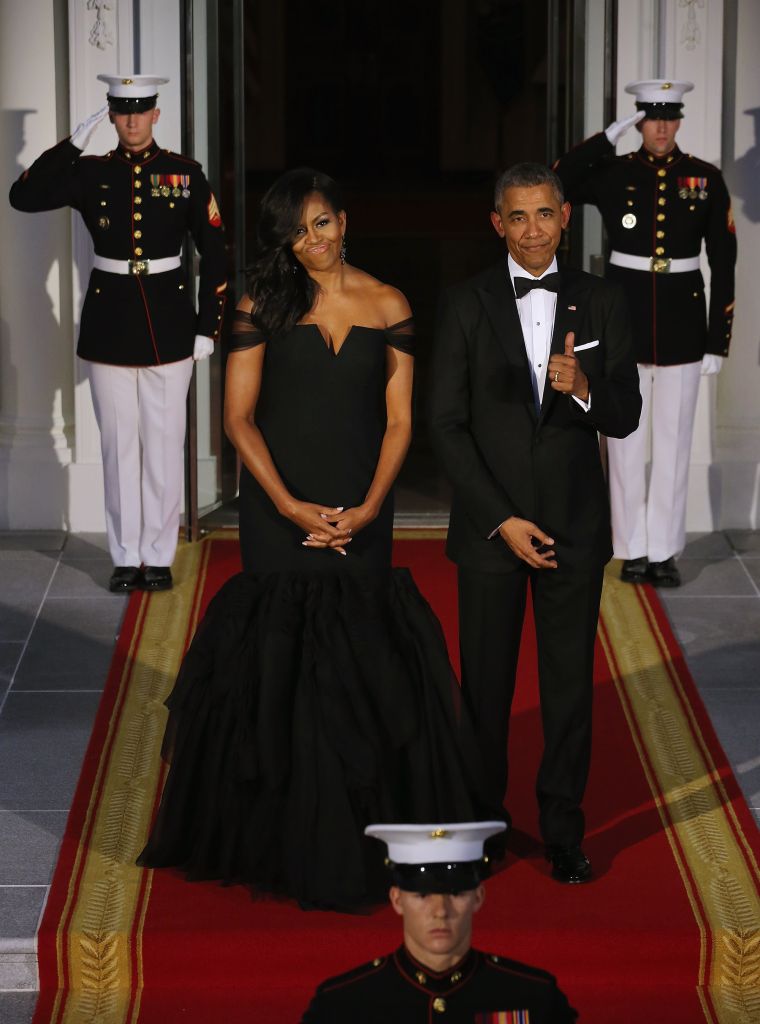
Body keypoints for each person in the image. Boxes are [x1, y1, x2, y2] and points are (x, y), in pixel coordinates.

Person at [138, 168, 494, 911]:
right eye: (298, 232)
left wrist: (369, 508)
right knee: (284, 658)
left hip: (362, 506)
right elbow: (239, 420)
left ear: (344, 220)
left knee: (361, 655)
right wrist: (291, 507)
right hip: (280, 507)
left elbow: (400, 421)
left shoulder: (390, 302)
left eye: (323, 223)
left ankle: (363, 832)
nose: (314, 241)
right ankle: (279, 834)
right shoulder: (259, 302)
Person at [428, 163, 641, 884]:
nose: (531, 230)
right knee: (484, 693)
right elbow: (445, 425)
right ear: (497, 223)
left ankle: (563, 832)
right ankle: (483, 828)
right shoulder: (464, 303)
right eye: (516, 217)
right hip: (492, 532)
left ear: (566, 216)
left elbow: (626, 413)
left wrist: (584, 389)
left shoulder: (603, 299)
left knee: (569, 691)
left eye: (544, 214)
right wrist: (502, 519)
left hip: (574, 527)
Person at [9, 73, 227, 593]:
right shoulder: (90, 172)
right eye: (122, 110)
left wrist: (207, 326)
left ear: (156, 114)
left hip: (170, 325)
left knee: (164, 446)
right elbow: (24, 196)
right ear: (110, 115)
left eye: (141, 109)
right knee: (118, 448)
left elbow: (216, 252)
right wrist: (72, 144)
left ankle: (158, 555)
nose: (132, 119)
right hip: (109, 324)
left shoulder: (184, 174)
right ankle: (126, 556)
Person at [553, 79, 737, 588]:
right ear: (639, 121)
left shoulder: (704, 179)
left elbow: (724, 262)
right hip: (623, 319)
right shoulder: (614, 172)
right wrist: (606, 139)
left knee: (675, 442)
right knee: (624, 440)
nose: (660, 127)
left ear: (679, 121)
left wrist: (717, 339)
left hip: (683, 324)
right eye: (651, 117)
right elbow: (558, 180)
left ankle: (663, 551)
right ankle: (630, 547)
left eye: (669, 117)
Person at [301, 821, 578, 1022]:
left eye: (456, 894)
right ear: (397, 900)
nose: (440, 911)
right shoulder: (343, 1006)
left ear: (478, 897)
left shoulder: (533, 997)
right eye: (422, 895)